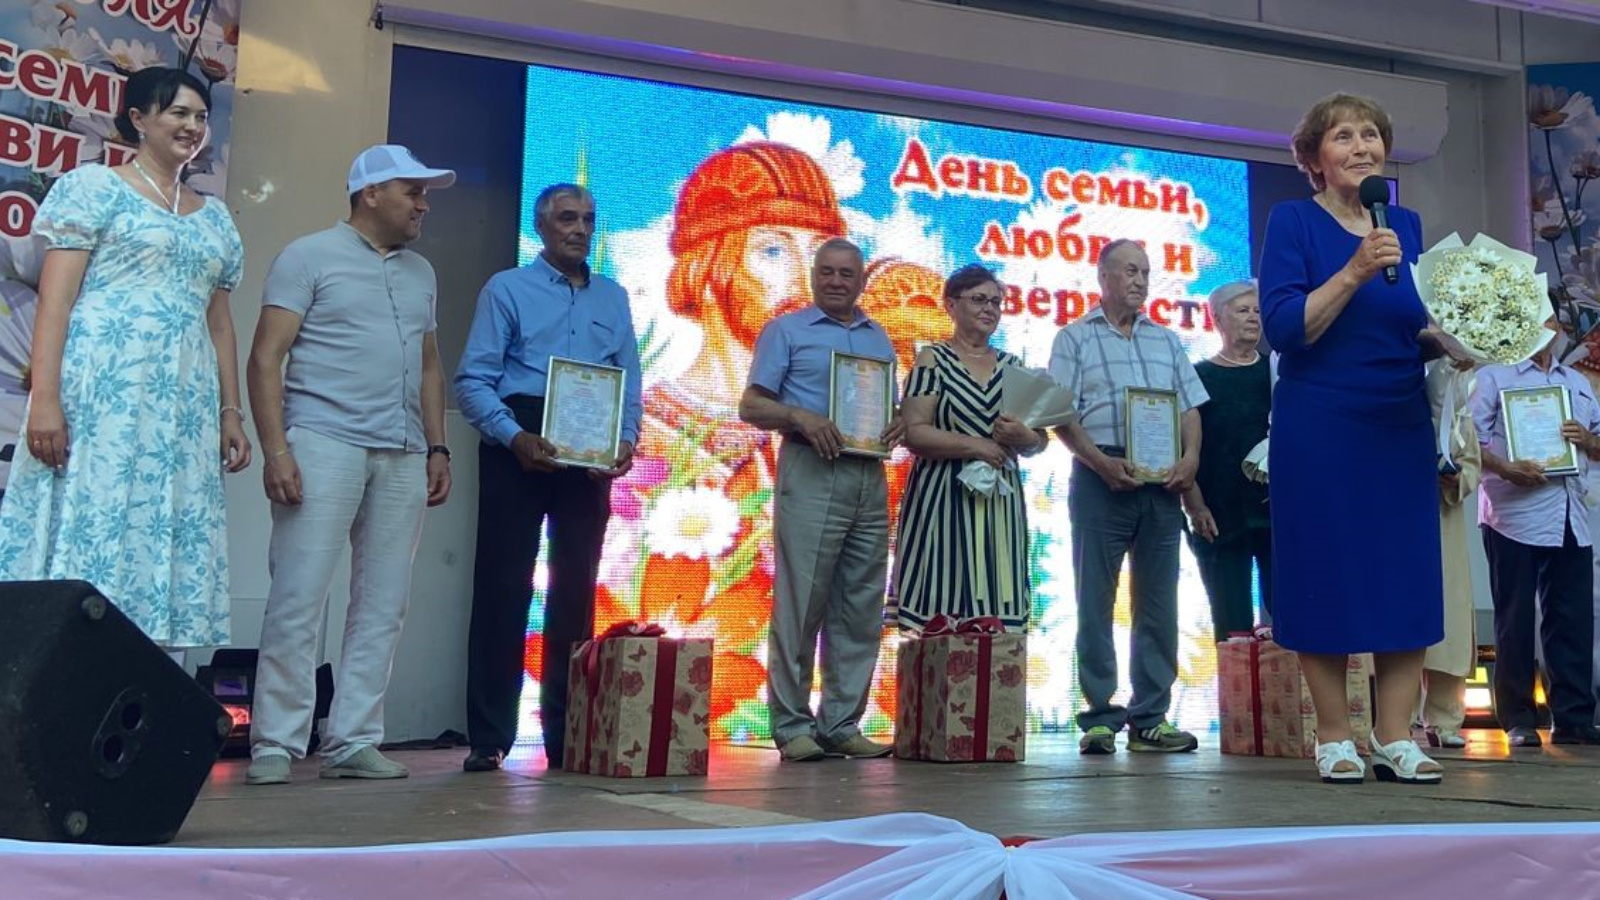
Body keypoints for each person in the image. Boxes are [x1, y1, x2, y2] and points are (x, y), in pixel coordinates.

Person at [0, 67, 250, 649]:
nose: (193, 126)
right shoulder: (95, 188)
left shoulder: (215, 217)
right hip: (101, 388)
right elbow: (55, 303)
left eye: (201, 117)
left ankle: (145, 658)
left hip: (182, 402)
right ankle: (70, 655)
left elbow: (219, 324)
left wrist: (230, 411)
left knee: (163, 512)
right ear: (137, 119)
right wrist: (45, 399)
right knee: (97, 505)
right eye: (178, 113)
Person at [1259, 92, 1468, 784]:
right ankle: (1334, 736)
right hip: (1320, 423)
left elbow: (1409, 325)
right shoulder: (1293, 221)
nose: (1362, 147)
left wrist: (1449, 341)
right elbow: (1286, 329)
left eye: (1371, 135)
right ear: (1314, 158)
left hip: (1397, 423)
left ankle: (1396, 736)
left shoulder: (1403, 223)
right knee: (1326, 570)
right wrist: (1353, 270)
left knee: (1404, 575)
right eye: (1344, 136)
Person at [241, 145, 456, 786]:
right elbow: (265, 358)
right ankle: (275, 743)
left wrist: (438, 446)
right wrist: (277, 450)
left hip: (404, 451)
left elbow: (429, 367)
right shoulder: (306, 256)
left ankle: (352, 740)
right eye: (412, 192)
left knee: (384, 603)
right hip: (322, 442)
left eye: (425, 194)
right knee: (299, 594)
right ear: (370, 194)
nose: (423, 205)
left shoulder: (422, 272)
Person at [455, 183, 643, 772]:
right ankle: (489, 737)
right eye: (567, 218)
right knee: (502, 587)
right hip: (517, 437)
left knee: (576, 594)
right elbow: (472, 381)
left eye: (588, 218)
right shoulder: (507, 288)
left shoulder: (613, 297)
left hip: (589, 444)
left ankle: (566, 736)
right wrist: (514, 436)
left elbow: (628, 382)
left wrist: (626, 439)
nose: (580, 228)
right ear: (541, 226)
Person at [738, 237, 903, 762]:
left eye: (845, 274)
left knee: (860, 604)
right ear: (813, 277)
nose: (835, 281)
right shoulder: (786, 330)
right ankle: (791, 725)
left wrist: (897, 422)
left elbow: (885, 405)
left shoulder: (879, 338)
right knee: (801, 602)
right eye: (826, 272)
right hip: (811, 466)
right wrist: (799, 417)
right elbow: (750, 405)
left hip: (868, 474)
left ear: (861, 281)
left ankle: (840, 724)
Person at [1048, 238, 1206, 755]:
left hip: (1163, 480)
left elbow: (1190, 409)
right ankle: (1099, 717)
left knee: (1160, 603)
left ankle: (1150, 719)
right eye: (1130, 271)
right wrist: (1100, 463)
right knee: (1095, 599)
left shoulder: (1167, 340)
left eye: (1145, 272)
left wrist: (1191, 459)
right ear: (1103, 277)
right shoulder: (1074, 337)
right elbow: (1060, 413)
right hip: (1101, 475)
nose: (1140, 281)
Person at [895, 263, 1047, 633]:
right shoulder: (932, 359)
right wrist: (976, 446)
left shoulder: (1013, 366)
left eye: (996, 302)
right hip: (942, 499)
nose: (989, 309)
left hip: (998, 505)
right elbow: (913, 432)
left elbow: (1039, 439)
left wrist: (1024, 436)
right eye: (979, 299)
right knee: (939, 612)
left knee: (998, 614)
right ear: (951, 305)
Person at [1472, 323, 1600, 746]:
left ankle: (1574, 718)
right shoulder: (1493, 376)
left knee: (1572, 619)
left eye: (1552, 323)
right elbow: (1467, 440)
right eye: (1538, 321)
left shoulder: (1577, 382)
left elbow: (1599, 442)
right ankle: (1519, 719)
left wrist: (1588, 440)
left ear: (1559, 329)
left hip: (1570, 514)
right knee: (1515, 619)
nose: (1546, 331)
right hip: (1512, 514)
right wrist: (1506, 468)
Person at [1183, 280, 1273, 643]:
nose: (1253, 318)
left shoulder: (1277, 373)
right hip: (1219, 517)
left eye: (1257, 311)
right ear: (1217, 319)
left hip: (1276, 515)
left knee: (1292, 619)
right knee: (1232, 628)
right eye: (1243, 310)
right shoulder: (1197, 376)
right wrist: (1194, 505)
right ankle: (1237, 684)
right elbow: (1184, 449)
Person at [1419, 360, 1481, 749]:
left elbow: (1472, 464)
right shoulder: (1385, 401)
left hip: (1443, 519)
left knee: (1449, 616)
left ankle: (1443, 719)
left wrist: (1457, 477)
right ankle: (1394, 720)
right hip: (1394, 518)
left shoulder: (1456, 411)